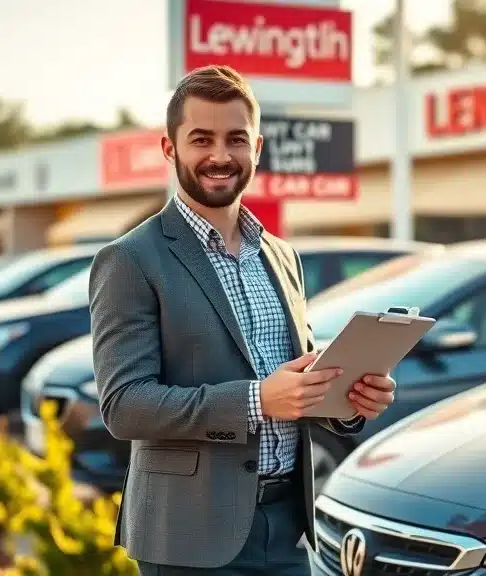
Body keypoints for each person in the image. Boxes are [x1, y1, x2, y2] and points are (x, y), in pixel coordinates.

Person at [87, 64, 397, 576]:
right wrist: (256, 400)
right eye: (201, 138)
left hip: (289, 526)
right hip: (189, 536)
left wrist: (348, 401)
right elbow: (125, 406)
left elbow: (295, 382)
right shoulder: (130, 260)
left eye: (235, 139)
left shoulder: (281, 255)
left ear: (257, 148)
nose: (219, 155)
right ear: (170, 149)